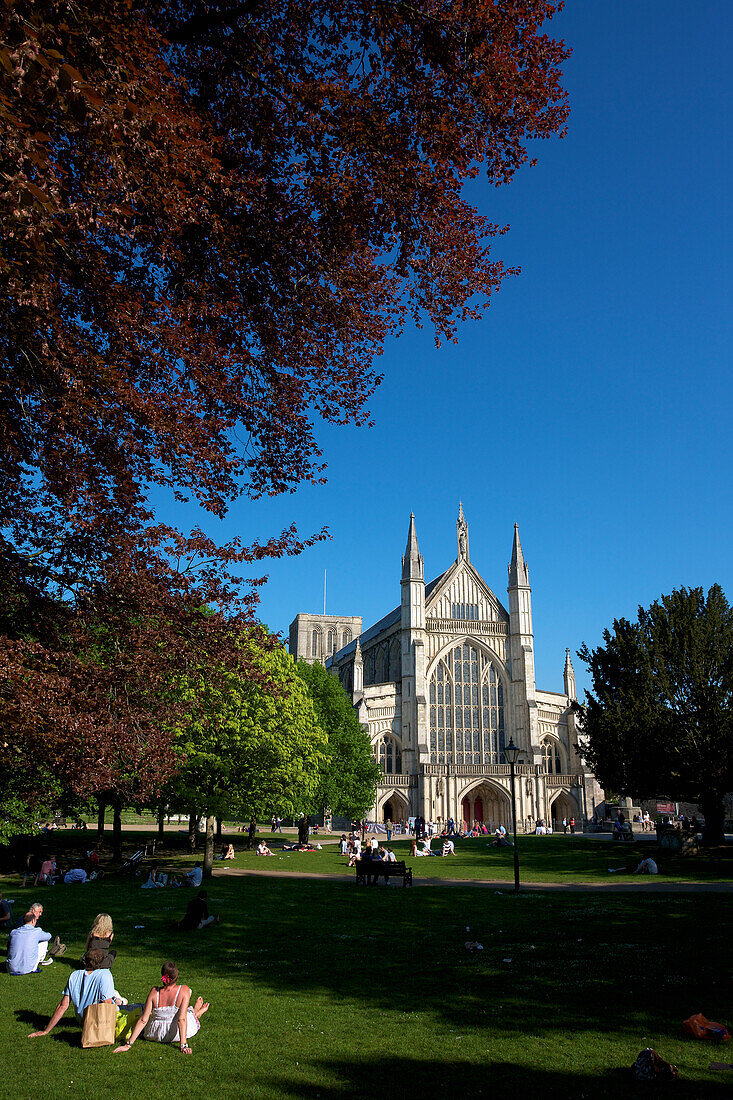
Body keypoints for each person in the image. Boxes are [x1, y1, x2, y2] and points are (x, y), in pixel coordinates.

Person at [114, 961, 209, 1055]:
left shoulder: (154, 992)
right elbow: (182, 1019)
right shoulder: (184, 990)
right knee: (186, 1012)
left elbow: (143, 1020)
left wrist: (128, 1045)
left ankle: (195, 1012)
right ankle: (196, 1013)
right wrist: (183, 1045)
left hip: (154, 1034)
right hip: (174, 1034)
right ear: (176, 976)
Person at [27, 947, 120, 1039]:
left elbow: (63, 1006)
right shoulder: (105, 974)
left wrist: (46, 1030)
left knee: (117, 1000)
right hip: (99, 1021)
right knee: (124, 1006)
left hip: (82, 1020)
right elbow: (107, 1004)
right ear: (101, 961)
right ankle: (119, 1001)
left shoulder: (74, 975)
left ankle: (119, 1000)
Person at [7, 905, 53, 974]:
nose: (40, 914)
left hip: (10, 968)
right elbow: (49, 936)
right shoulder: (36, 931)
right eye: (39, 912)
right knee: (44, 942)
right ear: (33, 921)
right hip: (27, 969)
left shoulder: (13, 932)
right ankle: (35, 966)